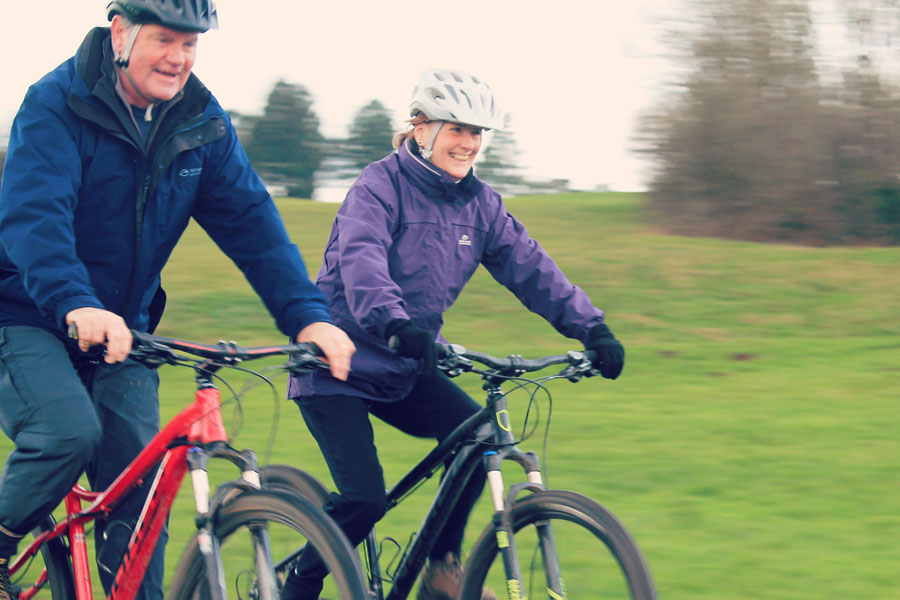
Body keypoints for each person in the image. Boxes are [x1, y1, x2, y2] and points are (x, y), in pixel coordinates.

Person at [0, 2, 355, 600]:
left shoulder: (200, 120)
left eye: (190, 44)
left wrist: (307, 316)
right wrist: (74, 301)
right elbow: (36, 217)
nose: (178, 58)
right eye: (164, 40)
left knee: (141, 503)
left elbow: (252, 223)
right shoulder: (57, 103)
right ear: (120, 33)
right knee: (66, 433)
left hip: (125, 331)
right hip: (26, 312)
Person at [282, 68, 625, 600]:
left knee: (478, 438)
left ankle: (441, 573)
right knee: (364, 500)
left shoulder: (481, 205)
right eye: (456, 129)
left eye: (477, 132)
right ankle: (296, 586)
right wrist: (394, 322)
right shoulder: (378, 186)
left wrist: (593, 328)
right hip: (336, 363)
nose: (468, 143)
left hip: (402, 364)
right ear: (421, 129)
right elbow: (361, 258)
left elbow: (532, 269)